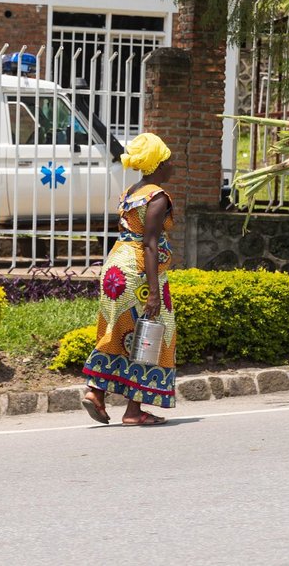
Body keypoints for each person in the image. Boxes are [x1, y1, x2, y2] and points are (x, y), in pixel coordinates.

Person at [81, 132, 178, 426]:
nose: (173, 164)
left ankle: (97, 393)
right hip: (138, 272)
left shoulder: (131, 192)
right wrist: (153, 293)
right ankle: (134, 411)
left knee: (122, 331)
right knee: (151, 333)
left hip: (115, 270)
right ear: (159, 163)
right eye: (169, 158)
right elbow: (149, 243)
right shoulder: (157, 197)